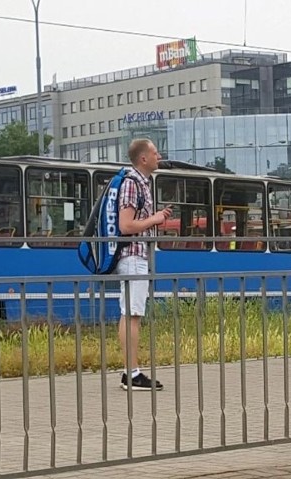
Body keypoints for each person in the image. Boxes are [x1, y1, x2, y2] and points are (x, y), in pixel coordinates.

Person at [117, 138, 173, 391]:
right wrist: (155, 219)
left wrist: (155, 218)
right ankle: (133, 374)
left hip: (136, 257)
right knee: (132, 316)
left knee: (130, 314)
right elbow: (126, 226)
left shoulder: (142, 183)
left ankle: (130, 371)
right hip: (133, 257)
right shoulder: (133, 183)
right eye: (154, 152)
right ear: (143, 158)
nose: (158, 155)